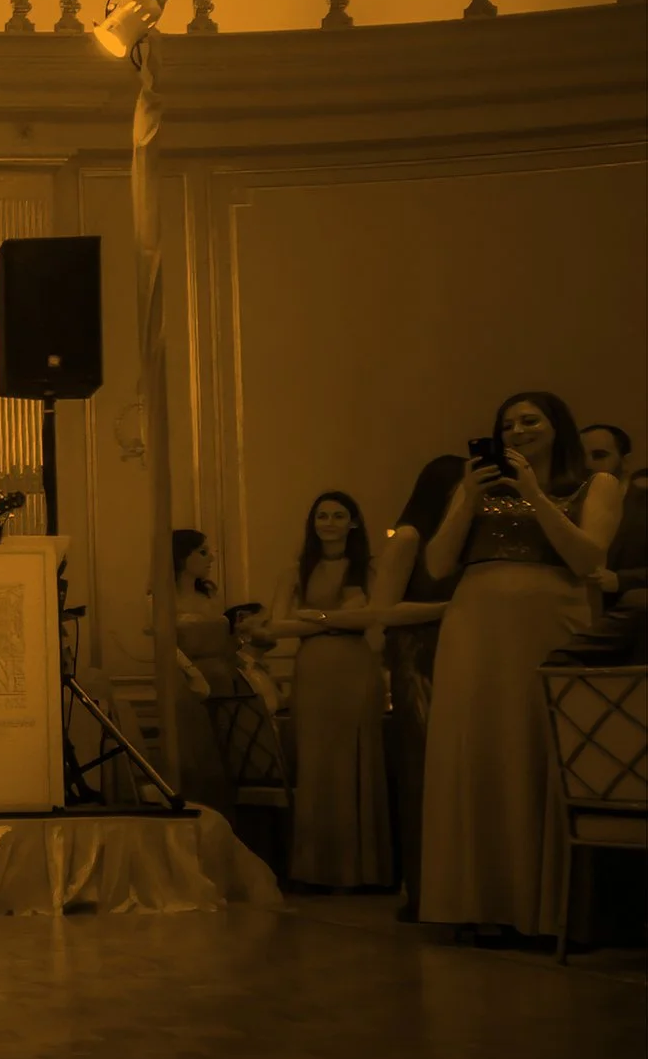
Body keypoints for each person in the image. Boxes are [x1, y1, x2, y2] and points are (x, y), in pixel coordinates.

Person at [420, 391, 623, 941]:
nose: (517, 430)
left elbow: (587, 559)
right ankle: (477, 903)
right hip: (473, 629)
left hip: (548, 625)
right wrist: (466, 498)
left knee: (535, 749)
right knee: (478, 751)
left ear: (558, 425)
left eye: (530, 419)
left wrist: (534, 495)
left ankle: (543, 910)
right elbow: (438, 564)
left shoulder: (595, 485)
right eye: (507, 423)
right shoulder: (474, 487)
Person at [261, 491, 391, 890]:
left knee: (358, 760)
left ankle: (364, 872)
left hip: (356, 668)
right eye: (322, 516)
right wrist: (336, 621)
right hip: (314, 671)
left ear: (353, 523)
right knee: (317, 764)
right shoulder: (294, 571)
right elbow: (276, 627)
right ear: (312, 523)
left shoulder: (369, 569)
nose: (329, 523)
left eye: (338, 516)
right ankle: (315, 870)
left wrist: (313, 616)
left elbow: (374, 619)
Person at [367, 456, 465, 921]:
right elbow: (381, 613)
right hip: (416, 660)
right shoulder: (408, 537)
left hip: (457, 656)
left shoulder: (463, 540)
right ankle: (424, 891)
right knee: (422, 771)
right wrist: (455, 609)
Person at [157, 529, 244, 813]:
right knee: (198, 757)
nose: (211, 559)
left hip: (223, 679)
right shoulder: (163, 597)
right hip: (190, 685)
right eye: (203, 552)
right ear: (182, 556)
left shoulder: (209, 595)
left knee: (226, 755)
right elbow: (165, 644)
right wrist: (193, 674)